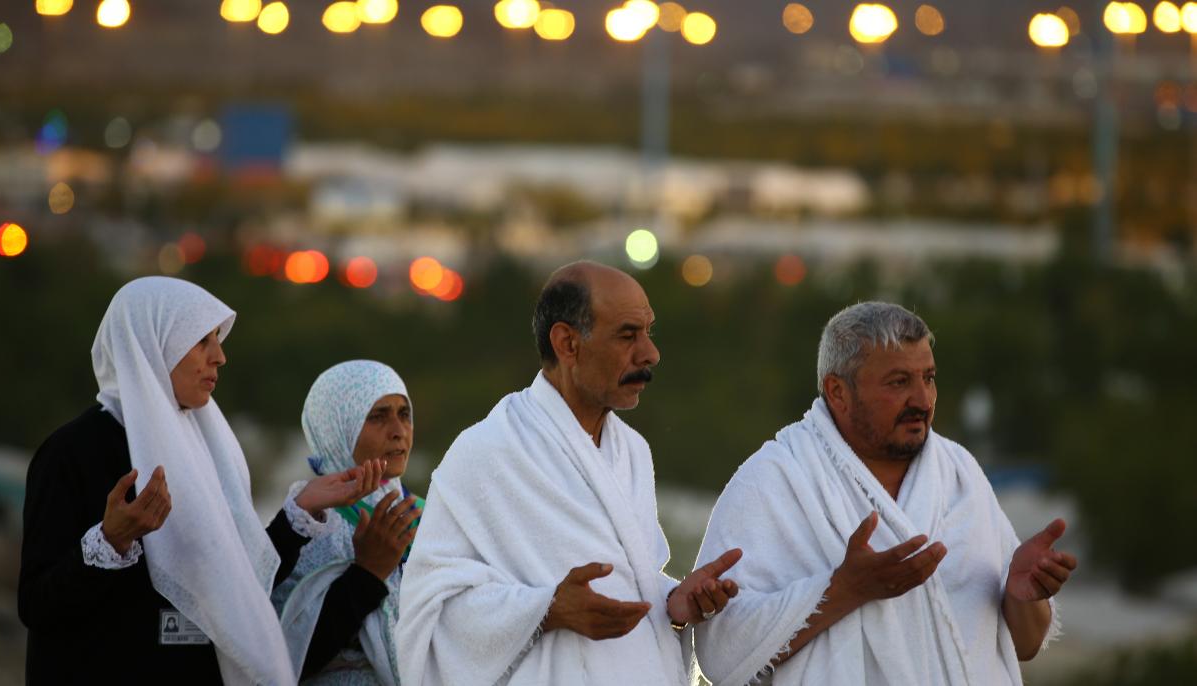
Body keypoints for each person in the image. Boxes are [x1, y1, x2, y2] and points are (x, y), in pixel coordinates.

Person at [692, 302, 1079, 685]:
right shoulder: (774, 481)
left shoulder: (960, 474)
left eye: (928, 378)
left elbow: (1024, 645)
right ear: (838, 391)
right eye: (898, 382)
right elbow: (720, 654)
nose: (922, 400)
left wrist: (1023, 594)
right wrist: (844, 590)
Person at [18, 276, 381, 685]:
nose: (220, 357)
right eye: (201, 341)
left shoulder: (206, 449)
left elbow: (232, 586)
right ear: (154, 344)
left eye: (218, 340)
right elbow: (37, 604)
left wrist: (302, 511)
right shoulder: (73, 451)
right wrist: (109, 542)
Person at [397, 260, 742, 686]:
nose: (650, 354)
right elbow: (431, 610)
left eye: (648, 332)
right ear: (567, 343)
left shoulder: (632, 451)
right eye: (627, 335)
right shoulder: (488, 452)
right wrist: (546, 610)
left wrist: (673, 599)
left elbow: (630, 580)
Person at [273, 360, 424, 685]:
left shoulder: (422, 516)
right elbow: (287, 655)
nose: (399, 431)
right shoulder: (308, 525)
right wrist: (367, 574)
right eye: (378, 416)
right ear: (337, 425)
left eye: (404, 414)